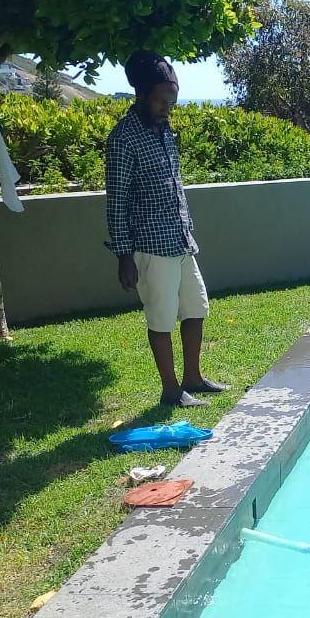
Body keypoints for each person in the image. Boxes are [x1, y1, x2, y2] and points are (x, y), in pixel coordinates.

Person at [104, 51, 228, 408]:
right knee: (161, 318)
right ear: (140, 95)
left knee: (196, 308)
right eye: (160, 101)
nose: (166, 108)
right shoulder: (123, 139)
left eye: (170, 103)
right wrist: (124, 256)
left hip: (180, 239)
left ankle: (193, 377)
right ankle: (171, 390)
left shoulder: (164, 132)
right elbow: (116, 203)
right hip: (150, 246)